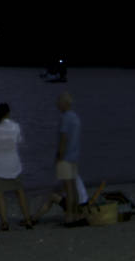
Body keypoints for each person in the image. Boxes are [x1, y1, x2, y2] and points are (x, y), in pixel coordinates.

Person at [0, 102, 33, 231]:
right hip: (14, 165)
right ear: (8, 113)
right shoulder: (15, 127)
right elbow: (20, 141)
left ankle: (4, 222)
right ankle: (28, 219)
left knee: (0, 194)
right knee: (20, 192)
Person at [50, 91, 83, 224]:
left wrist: (58, 157)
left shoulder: (65, 118)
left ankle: (69, 216)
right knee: (73, 187)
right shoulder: (75, 117)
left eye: (59, 101)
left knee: (68, 188)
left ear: (65, 103)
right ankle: (75, 213)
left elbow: (63, 140)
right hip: (75, 157)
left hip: (66, 158)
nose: (57, 104)